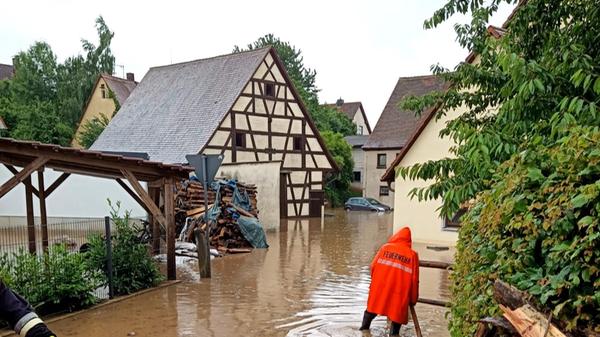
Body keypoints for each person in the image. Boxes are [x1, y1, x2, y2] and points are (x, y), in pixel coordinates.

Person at [360, 227, 419, 336]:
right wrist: (413, 299)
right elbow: (414, 280)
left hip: (380, 287)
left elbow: (373, 266)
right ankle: (393, 334)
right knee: (396, 315)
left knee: (372, 308)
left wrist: (375, 283)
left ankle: (364, 330)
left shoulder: (384, 248)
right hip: (399, 292)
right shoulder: (412, 255)